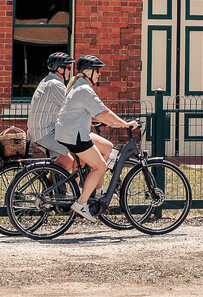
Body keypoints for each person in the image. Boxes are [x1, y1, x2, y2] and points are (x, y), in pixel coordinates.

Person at [53, 54, 136, 220]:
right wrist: (125, 124)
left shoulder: (79, 85)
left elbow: (98, 115)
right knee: (100, 167)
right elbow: (104, 112)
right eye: (97, 71)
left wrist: (114, 123)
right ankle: (81, 203)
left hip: (72, 131)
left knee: (107, 147)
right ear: (88, 72)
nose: (99, 75)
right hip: (75, 135)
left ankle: (97, 191)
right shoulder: (84, 89)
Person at [25, 52, 78, 174]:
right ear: (60, 69)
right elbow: (73, 107)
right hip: (45, 133)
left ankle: (51, 191)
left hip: (38, 132)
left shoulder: (46, 81)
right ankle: (75, 191)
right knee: (81, 153)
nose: (70, 71)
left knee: (67, 162)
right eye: (68, 68)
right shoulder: (55, 85)